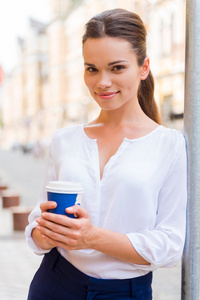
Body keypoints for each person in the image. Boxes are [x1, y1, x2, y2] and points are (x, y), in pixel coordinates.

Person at [25, 8, 187, 300]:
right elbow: (38, 223)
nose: (102, 82)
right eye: (92, 69)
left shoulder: (171, 146)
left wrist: (91, 237)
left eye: (117, 68)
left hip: (125, 292)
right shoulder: (65, 140)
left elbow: (170, 246)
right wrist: (45, 233)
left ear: (144, 68)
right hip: (55, 283)